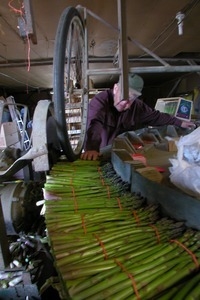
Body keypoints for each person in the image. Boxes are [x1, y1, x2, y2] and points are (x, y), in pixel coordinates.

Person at [81, 73, 196, 160]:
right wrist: (92, 148)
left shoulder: (137, 106)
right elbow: (94, 124)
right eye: (124, 97)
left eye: (131, 99)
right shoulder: (100, 102)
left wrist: (180, 122)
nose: (126, 103)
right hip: (99, 153)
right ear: (115, 88)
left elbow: (156, 116)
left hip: (123, 154)